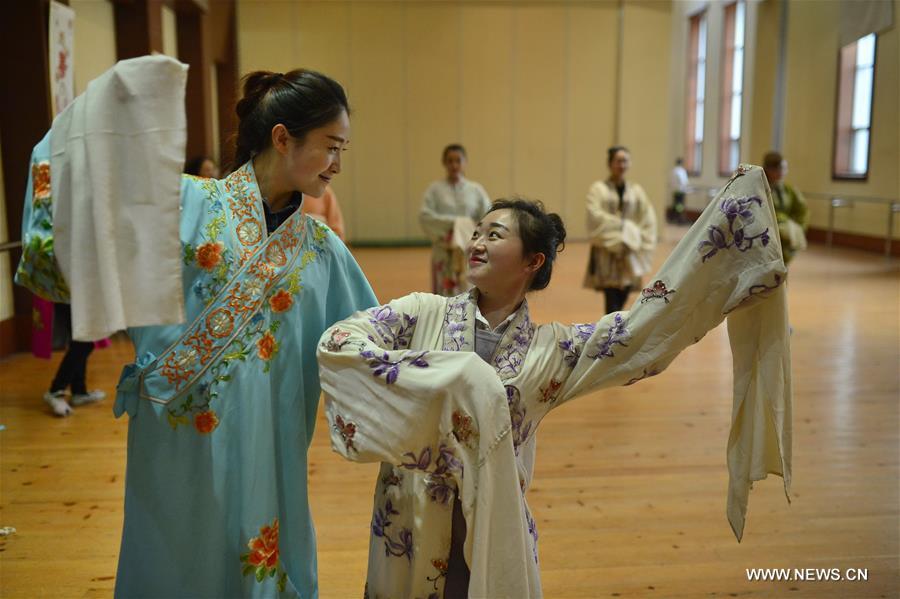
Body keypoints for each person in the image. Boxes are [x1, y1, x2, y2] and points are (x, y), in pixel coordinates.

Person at [317, 165, 792, 598]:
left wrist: (730, 235)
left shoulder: (552, 351)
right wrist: (441, 377)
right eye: (477, 232)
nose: (476, 242)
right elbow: (342, 339)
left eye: (494, 235)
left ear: (532, 262)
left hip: (492, 524)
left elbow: (641, 331)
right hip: (411, 520)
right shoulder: (421, 311)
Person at [16, 63, 377, 597]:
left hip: (269, 449)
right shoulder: (180, 204)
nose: (338, 164)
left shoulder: (323, 251)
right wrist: (114, 98)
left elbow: (373, 345)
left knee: (258, 554)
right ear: (283, 138)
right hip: (173, 437)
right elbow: (76, 178)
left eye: (342, 149)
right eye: (331, 146)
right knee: (174, 559)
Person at [584, 146, 657, 314]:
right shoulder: (598, 189)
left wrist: (635, 236)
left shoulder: (636, 191)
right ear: (610, 163)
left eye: (625, 161)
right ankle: (611, 333)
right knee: (611, 298)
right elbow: (594, 216)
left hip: (629, 252)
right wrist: (623, 228)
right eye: (618, 161)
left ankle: (612, 330)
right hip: (607, 252)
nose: (622, 165)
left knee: (624, 292)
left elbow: (647, 217)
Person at [420, 144, 491, 296]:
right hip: (444, 252)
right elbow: (426, 217)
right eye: (450, 161)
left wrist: (469, 231)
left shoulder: (476, 190)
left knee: (469, 292)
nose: (454, 165)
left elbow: (488, 217)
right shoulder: (434, 190)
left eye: (458, 160)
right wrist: (456, 224)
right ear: (444, 163)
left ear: (465, 162)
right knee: (443, 295)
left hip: (469, 251)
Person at [41, 303, 106, 416]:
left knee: (79, 340)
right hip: (70, 295)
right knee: (83, 343)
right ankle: (55, 390)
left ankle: (79, 391)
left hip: (71, 296)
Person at [763, 151, 809, 264]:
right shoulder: (760, 189)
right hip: (765, 239)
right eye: (780, 168)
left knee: (781, 272)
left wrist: (796, 229)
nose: (783, 172)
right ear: (769, 169)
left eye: (784, 168)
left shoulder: (789, 190)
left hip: (785, 242)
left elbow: (802, 211)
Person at [668, 157, 689, 223]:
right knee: (680, 205)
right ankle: (680, 219)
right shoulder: (681, 171)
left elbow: (671, 181)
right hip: (680, 190)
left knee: (676, 204)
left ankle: (674, 218)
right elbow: (684, 181)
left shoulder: (673, 170)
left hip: (674, 190)